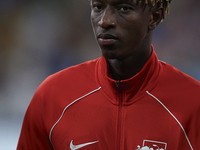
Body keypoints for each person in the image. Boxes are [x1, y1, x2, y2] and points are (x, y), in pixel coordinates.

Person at [17, 0, 200, 150]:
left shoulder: (193, 102)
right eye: (98, 7)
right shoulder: (52, 95)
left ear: (155, 16)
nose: (104, 21)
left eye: (123, 8)